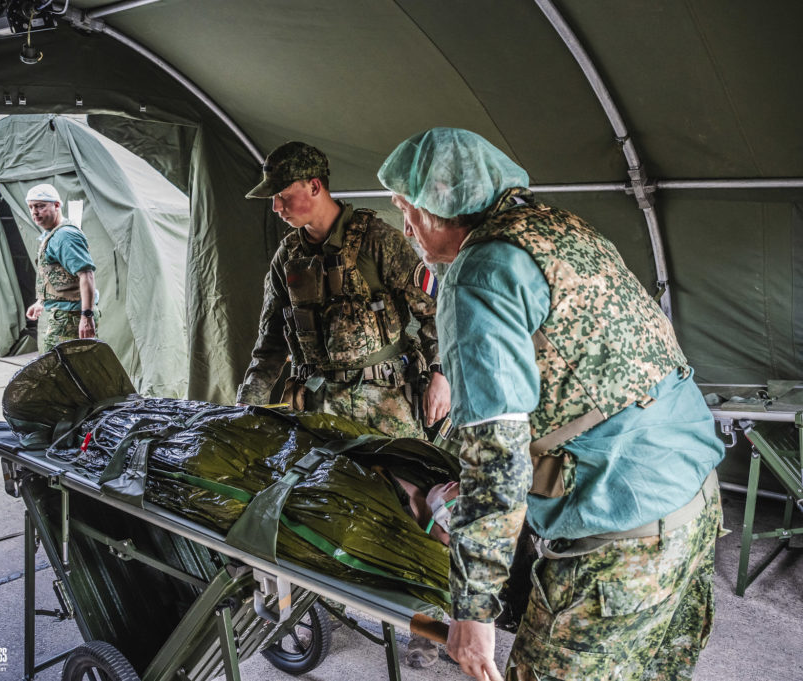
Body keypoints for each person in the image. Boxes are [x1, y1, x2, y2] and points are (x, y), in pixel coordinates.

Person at [379, 127, 725, 681]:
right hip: (694, 500)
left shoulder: (477, 275)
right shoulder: (560, 229)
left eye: (409, 210)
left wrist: (474, 610)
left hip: (619, 539)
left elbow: (498, 457)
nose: (407, 228)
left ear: (444, 207)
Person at [237, 141, 452, 666]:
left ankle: (428, 626)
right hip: (320, 407)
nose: (277, 207)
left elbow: (434, 312)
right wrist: (245, 408)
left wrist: (441, 375)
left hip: (387, 406)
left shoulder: (378, 239)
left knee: (415, 513)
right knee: (333, 507)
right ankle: (346, 593)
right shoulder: (288, 256)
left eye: (283, 196)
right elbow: (268, 345)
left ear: (314, 187)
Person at [24, 183, 98, 352]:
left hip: (70, 317)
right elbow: (59, 276)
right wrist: (42, 301)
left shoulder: (65, 236)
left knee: (61, 370)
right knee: (62, 369)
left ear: (57, 205)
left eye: (40, 206)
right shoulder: (52, 234)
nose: (34, 212)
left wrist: (86, 316)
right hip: (61, 314)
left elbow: (86, 275)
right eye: (31, 207)